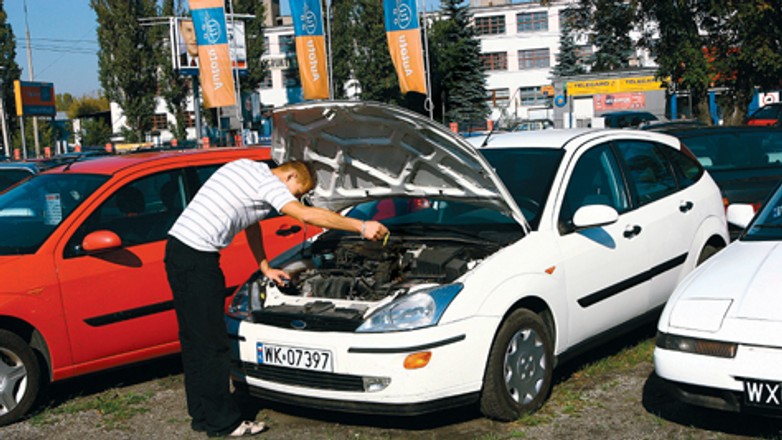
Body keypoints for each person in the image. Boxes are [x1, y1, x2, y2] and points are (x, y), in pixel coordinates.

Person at [164, 159, 387, 437]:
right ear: (291, 175)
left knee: (194, 339)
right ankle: (224, 423)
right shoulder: (267, 182)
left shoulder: (245, 167)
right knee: (212, 344)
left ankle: (202, 414)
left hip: (178, 251)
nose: (293, 197)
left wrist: (264, 265)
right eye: (296, 191)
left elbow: (250, 222)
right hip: (198, 260)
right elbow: (305, 216)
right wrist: (361, 226)